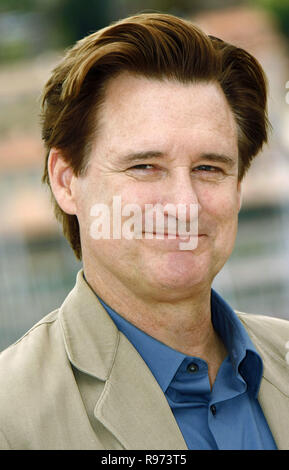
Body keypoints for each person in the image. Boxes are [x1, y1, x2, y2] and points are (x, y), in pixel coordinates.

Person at [0, 12, 288, 451]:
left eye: (209, 168)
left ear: (238, 188)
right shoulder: (11, 418)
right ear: (65, 181)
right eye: (144, 166)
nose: (184, 205)